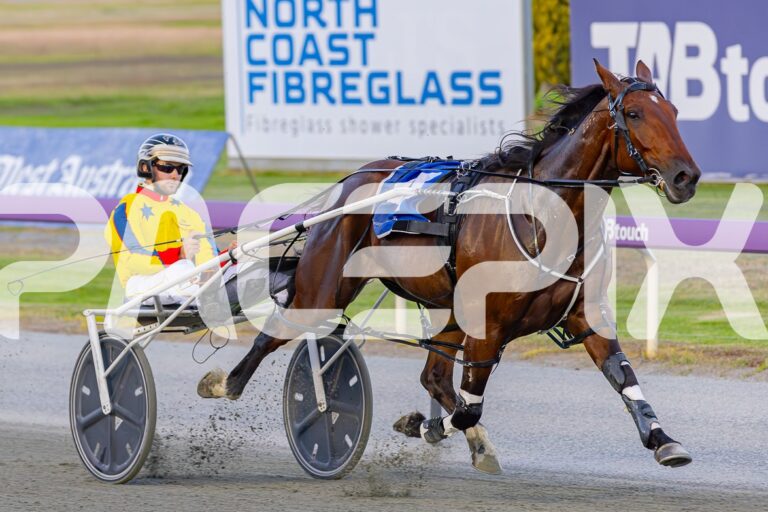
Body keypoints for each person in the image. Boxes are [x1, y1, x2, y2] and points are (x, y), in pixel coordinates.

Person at [104, 133, 235, 305]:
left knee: (242, 267)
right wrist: (180, 256)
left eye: (180, 169)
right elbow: (136, 260)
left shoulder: (189, 213)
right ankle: (211, 294)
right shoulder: (126, 209)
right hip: (139, 284)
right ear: (145, 167)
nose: (175, 175)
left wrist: (229, 255)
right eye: (167, 168)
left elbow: (208, 260)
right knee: (182, 269)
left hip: (185, 280)